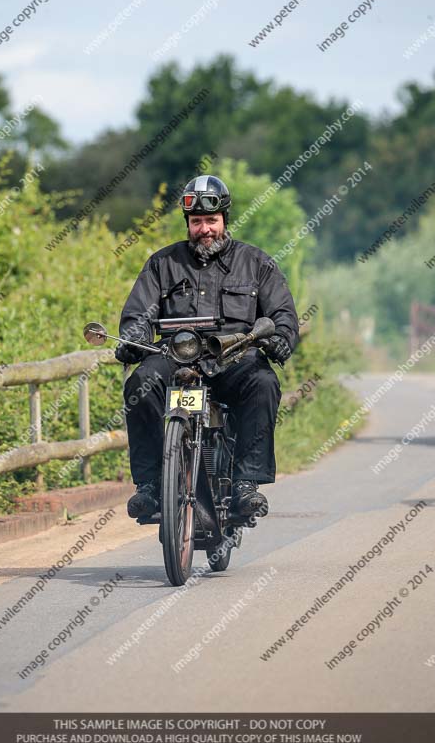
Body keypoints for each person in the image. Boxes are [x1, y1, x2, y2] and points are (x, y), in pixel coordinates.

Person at [115, 175, 299, 522]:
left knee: (264, 382)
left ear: (225, 221)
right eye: (196, 222)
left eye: (211, 221)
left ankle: (246, 483)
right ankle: (151, 485)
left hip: (234, 359)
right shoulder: (162, 264)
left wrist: (279, 338)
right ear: (188, 223)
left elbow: (283, 315)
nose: (204, 229)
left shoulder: (256, 263)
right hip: (175, 357)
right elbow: (137, 314)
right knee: (140, 383)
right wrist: (133, 339)